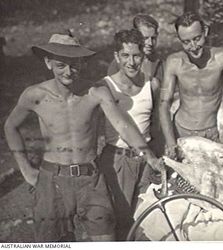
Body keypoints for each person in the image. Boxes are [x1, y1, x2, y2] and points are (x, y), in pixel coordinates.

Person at [4, 32, 163, 242]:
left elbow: (123, 125)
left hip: (90, 180)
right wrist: (25, 169)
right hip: (52, 180)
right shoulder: (35, 95)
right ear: (48, 63)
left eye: (75, 64)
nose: (69, 72)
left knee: (107, 239)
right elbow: (10, 127)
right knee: (51, 243)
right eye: (61, 65)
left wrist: (150, 157)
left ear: (82, 62)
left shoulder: (95, 92)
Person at [98, 29, 160, 240]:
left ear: (143, 55)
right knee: (120, 222)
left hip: (147, 162)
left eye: (136, 55)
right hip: (118, 161)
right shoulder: (105, 86)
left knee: (146, 223)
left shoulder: (152, 84)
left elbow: (156, 125)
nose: (131, 62)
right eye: (125, 55)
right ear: (116, 56)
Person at [159, 12, 223, 158]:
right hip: (180, 132)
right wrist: (170, 143)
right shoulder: (174, 62)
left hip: (209, 134)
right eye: (186, 42)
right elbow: (163, 103)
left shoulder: (222, 57)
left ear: (205, 31)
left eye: (197, 39)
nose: (193, 46)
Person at [108, 14, 165, 158]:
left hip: (151, 135)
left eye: (153, 38)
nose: (150, 43)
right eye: (145, 38)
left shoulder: (159, 64)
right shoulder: (118, 65)